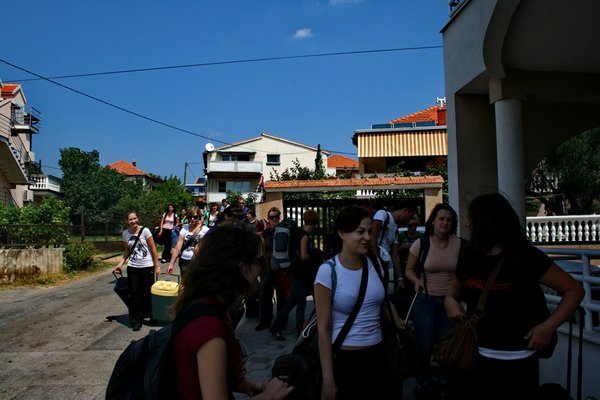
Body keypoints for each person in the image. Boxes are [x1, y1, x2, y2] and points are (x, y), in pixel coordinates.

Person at [444, 193, 584, 399]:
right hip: (475, 358)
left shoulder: (525, 257)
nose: (467, 225)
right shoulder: (470, 256)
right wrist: (449, 301)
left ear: (486, 223)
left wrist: (547, 327)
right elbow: (453, 291)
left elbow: (574, 290)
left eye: (471, 219)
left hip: (520, 361)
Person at [171, 224, 293, 400]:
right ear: (242, 268)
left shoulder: (203, 305)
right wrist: (270, 396)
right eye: (260, 260)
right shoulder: (210, 328)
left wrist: (248, 385)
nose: (262, 267)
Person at [314, 206, 387, 400]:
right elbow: (324, 328)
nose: (367, 237)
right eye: (360, 231)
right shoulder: (328, 271)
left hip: (378, 356)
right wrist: (328, 378)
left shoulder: (376, 264)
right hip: (344, 359)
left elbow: (384, 306)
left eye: (369, 231)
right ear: (342, 234)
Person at [404, 203, 464, 385]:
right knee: (425, 344)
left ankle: (444, 381)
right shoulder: (421, 243)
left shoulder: (461, 244)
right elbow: (409, 270)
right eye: (441, 219)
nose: (445, 222)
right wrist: (416, 281)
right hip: (425, 301)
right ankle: (424, 380)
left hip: (450, 302)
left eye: (449, 220)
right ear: (433, 221)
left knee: (446, 344)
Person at [269, 209, 322, 339]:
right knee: (301, 305)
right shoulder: (304, 236)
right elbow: (304, 256)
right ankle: (300, 332)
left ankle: (275, 327)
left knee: (291, 303)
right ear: (315, 222)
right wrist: (315, 254)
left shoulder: (298, 233)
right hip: (300, 274)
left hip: (296, 272)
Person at [113, 211, 160, 331]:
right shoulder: (125, 234)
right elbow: (127, 251)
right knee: (134, 294)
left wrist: (157, 265)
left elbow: (153, 249)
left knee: (147, 293)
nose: (133, 221)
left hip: (147, 266)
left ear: (137, 218)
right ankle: (135, 320)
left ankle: (152, 315)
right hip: (133, 267)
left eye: (134, 218)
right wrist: (120, 264)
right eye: (130, 219)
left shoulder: (145, 231)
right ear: (127, 221)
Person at [255, 207, 288, 331]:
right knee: (264, 294)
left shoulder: (284, 231)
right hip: (267, 267)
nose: (274, 219)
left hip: (279, 267)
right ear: (268, 219)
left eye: (276, 217)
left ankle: (281, 321)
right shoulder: (266, 232)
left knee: (281, 295)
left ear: (279, 218)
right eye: (271, 217)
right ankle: (265, 320)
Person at [167, 206, 209, 277]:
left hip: (199, 261)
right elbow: (177, 248)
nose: (192, 219)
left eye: (195, 217)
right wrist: (171, 264)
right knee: (185, 282)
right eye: (190, 217)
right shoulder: (184, 229)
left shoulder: (205, 230)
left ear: (199, 217)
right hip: (185, 261)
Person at [392, 216, 423, 294]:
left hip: (416, 267)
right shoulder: (400, 235)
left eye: (415, 225)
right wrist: (403, 247)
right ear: (407, 225)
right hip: (403, 266)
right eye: (411, 225)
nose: (413, 227)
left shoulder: (421, 236)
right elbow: (394, 252)